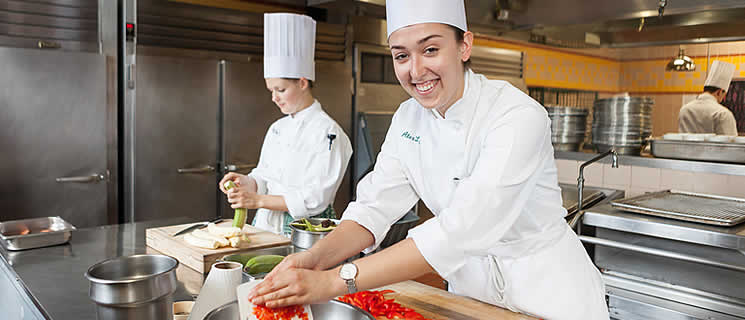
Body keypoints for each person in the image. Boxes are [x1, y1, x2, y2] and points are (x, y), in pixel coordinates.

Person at [248, 2, 609, 319]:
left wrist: (334, 280)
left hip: (548, 294)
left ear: (464, 45)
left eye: (431, 49)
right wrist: (312, 259)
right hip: (471, 296)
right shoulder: (407, 118)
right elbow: (373, 208)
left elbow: (464, 227)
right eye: (401, 56)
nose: (416, 71)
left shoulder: (516, 115)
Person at [218, 13, 352, 236]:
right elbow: (265, 177)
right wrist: (247, 182)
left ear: (302, 82)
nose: (274, 98)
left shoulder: (328, 132)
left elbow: (316, 198)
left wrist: (258, 200)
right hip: (266, 228)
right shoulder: (277, 129)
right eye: (271, 91)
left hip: (306, 232)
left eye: (281, 90)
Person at [679, 60, 737, 135]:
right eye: (724, 94)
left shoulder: (685, 110)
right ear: (719, 92)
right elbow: (731, 144)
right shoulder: (722, 114)